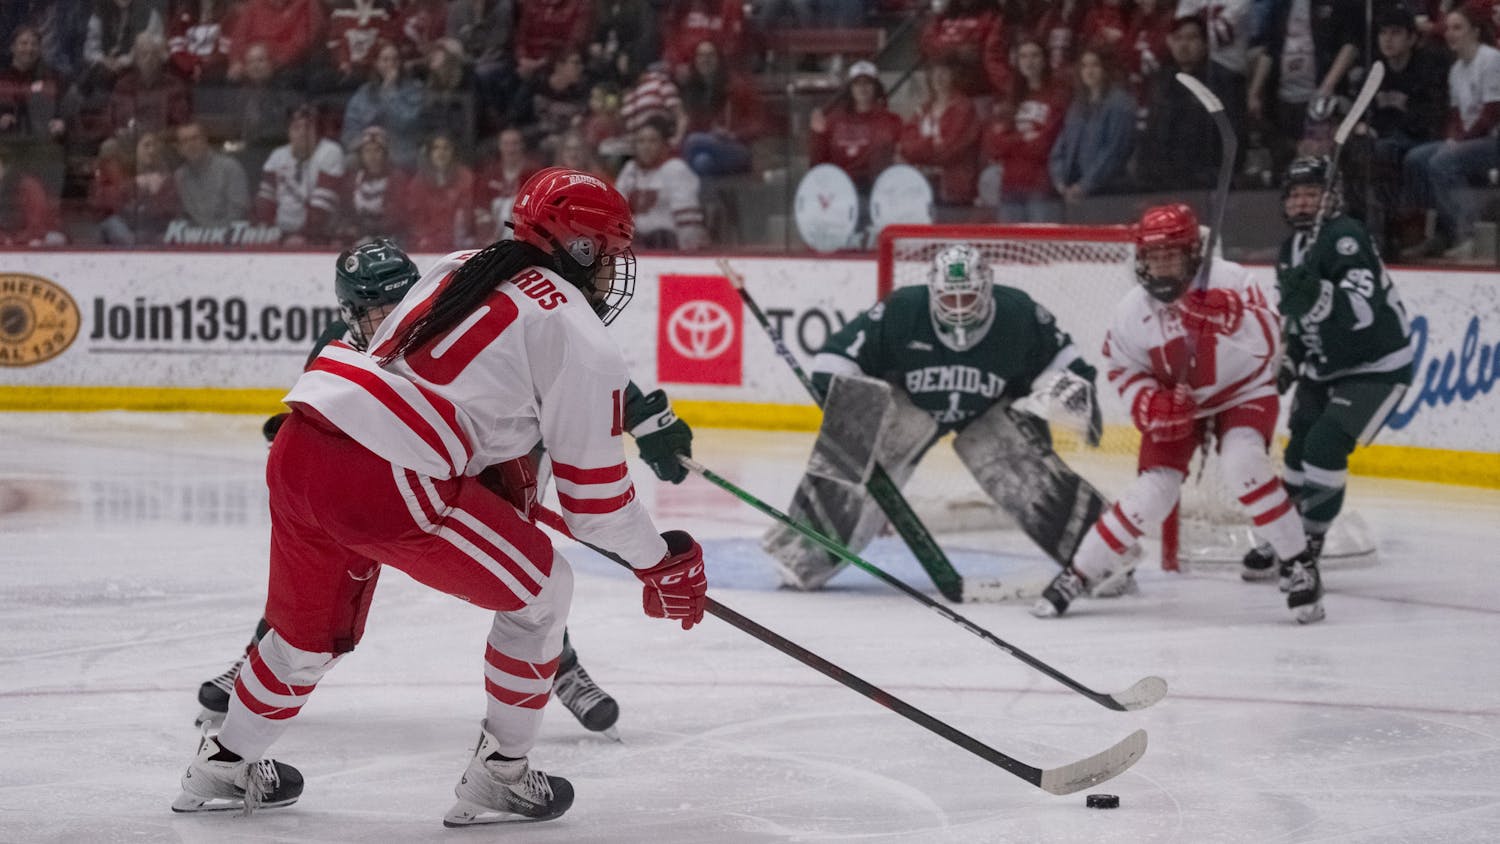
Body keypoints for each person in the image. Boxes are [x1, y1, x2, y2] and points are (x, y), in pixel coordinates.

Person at [171, 168, 709, 823]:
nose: (613, 272)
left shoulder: (463, 264)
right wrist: (660, 562)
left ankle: (223, 766)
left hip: (304, 445)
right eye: (611, 254)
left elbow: (405, 372)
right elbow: (595, 508)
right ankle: (502, 773)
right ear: (581, 249)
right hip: (385, 479)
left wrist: (476, 470)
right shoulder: (579, 332)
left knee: (304, 639)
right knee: (544, 594)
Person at [1030, 203, 1323, 624]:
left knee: (1243, 462)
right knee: (1153, 493)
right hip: (1178, 401)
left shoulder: (1231, 280)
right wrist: (1150, 403)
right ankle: (1076, 574)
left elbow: (1271, 343)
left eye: (1171, 256)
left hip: (1242, 390)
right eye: (1154, 257)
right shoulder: (1132, 311)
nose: (1162, 266)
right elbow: (1124, 369)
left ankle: (1298, 563)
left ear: (1192, 254)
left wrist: (1231, 317)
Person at [765, 244, 1109, 592]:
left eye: (967, 297)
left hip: (990, 411)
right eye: (949, 298)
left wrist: (1061, 396)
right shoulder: (902, 310)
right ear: (933, 291)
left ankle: (1100, 560)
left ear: (986, 289)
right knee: (864, 432)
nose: (958, 308)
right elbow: (835, 359)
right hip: (911, 407)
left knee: (1016, 465)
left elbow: (1070, 368)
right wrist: (849, 408)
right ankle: (805, 551)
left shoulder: (1018, 313)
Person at [1239, 157, 1413, 593]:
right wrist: (1290, 361)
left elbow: (1362, 312)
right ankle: (1285, 535)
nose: (1302, 203)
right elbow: (1298, 321)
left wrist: (1319, 296)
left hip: (1376, 366)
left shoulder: (1346, 237)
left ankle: (1309, 542)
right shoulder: (1290, 250)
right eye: (1295, 195)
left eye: (1312, 194)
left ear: (1330, 198)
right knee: (1298, 449)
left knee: (1325, 444)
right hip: (1324, 366)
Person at [1400, 6, 1500, 260]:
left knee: (1443, 160)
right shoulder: (1456, 70)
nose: (1450, 34)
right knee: (1416, 158)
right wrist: (1452, 138)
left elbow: (1492, 112)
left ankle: (1467, 234)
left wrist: (1459, 142)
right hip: (1472, 141)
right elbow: (1455, 115)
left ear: (1475, 31)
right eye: (1447, 29)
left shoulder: (1491, 59)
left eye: (1457, 28)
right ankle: (1437, 232)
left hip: (1492, 140)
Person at [1048, 46, 1136, 206]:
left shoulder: (1119, 103)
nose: (1089, 71)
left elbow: (1114, 151)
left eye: (1095, 65)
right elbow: (1061, 146)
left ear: (1106, 68)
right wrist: (1060, 181)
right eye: (1084, 66)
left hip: (1108, 193)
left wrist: (1084, 185)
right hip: (1073, 190)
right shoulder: (1077, 106)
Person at [252, 103, 344, 246]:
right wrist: (268, 232)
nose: (302, 133)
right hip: (281, 234)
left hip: (318, 236)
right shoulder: (278, 156)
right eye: (296, 128)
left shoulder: (330, 152)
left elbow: (321, 211)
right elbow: (265, 202)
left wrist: (303, 236)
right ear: (289, 132)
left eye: (308, 127)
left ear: (316, 131)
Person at [614, 115, 707, 250]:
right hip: (635, 244)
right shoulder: (630, 169)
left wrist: (686, 254)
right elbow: (615, 211)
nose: (646, 147)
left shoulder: (676, 169)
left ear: (664, 144)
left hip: (667, 244)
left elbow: (688, 223)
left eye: (652, 141)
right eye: (641, 141)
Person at [172, 119, 249, 227]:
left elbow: (239, 211)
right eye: (185, 141)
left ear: (205, 140)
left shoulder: (229, 168)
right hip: (194, 235)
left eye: (195, 138)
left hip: (228, 234)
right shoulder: (179, 176)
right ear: (179, 149)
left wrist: (211, 232)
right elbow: (182, 215)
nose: (191, 145)